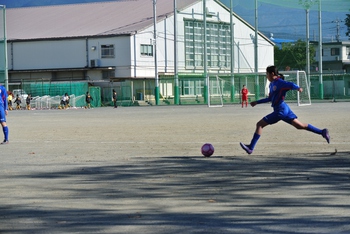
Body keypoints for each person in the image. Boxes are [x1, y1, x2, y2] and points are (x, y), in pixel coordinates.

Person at [240, 65, 330, 155]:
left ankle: (250, 148)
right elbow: (270, 98)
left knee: (259, 125)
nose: (266, 76)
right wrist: (257, 102)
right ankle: (322, 132)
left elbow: (290, 84)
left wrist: (298, 88)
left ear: (272, 74)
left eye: (267, 74)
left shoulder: (279, 82)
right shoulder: (272, 84)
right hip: (284, 108)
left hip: (280, 110)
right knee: (300, 126)